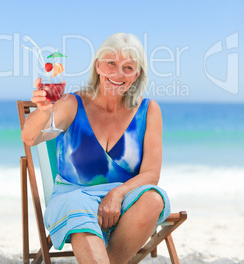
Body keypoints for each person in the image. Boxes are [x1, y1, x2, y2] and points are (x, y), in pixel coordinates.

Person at [22, 32, 170, 264]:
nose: (118, 74)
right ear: (98, 66)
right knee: (77, 206)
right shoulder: (72, 104)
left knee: (153, 199)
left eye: (128, 67)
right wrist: (43, 111)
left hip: (124, 200)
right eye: (111, 63)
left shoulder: (149, 110)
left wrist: (117, 194)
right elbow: (31, 138)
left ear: (137, 74)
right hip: (74, 196)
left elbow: (151, 174)